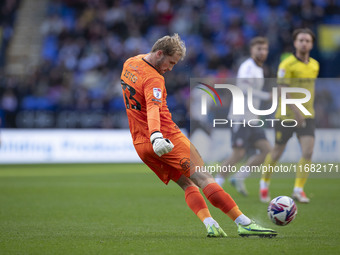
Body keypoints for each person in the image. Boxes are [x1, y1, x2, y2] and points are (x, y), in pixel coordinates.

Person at [120, 33, 277, 237]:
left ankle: (210, 223)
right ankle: (244, 222)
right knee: (204, 177)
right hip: (165, 138)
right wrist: (157, 135)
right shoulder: (154, 79)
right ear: (159, 53)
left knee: (187, 183)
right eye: (170, 62)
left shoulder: (130, 63)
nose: (170, 68)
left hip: (141, 145)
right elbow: (152, 108)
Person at [260, 28, 319, 203]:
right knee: (277, 152)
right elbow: (282, 91)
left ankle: (298, 190)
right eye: (301, 40)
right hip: (285, 116)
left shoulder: (315, 65)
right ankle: (264, 184)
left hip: (308, 116)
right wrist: (296, 111)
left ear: (312, 44)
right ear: (295, 43)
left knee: (308, 151)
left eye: (307, 41)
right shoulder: (286, 65)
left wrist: (304, 112)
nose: (304, 43)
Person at [215, 37, 272, 196]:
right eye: (258, 49)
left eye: (264, 49)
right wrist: (266, 96)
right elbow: (244, 89)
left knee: (266, 150)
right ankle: (215, 183)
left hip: (252, 118)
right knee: (238, 153)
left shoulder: (259, 69)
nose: (262, 52)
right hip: (240, 116)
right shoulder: (247, 67)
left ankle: (239, 177)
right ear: (252, 50)